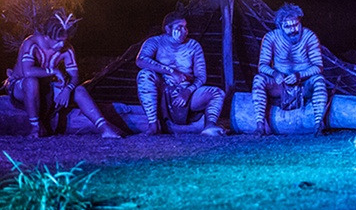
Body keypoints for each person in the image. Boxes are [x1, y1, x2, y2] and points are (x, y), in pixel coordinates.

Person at [4, 9, 122, 138]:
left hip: (46, 88)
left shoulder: (67, 48)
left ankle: (105, 128)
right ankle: (35, 126)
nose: (61, 44)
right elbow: (27, 72)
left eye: (64, 40)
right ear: (47, 36)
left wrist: (68, 89)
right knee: (31, 82)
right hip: (21, 87)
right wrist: (54, 71)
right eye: (57, 41)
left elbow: (75, 76)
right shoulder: (31, 43)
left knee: (80, 90)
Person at [135, 11, 226, 136]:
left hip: (186, 93)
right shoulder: (154, 42)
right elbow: (141, 60)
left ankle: (209, 125)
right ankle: (153, 124)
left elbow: (201, 76)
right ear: (168, 29)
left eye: (185, 27)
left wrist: (188, 91)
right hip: (163, 92)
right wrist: (171, 71)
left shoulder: (193, 46)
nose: (184, 31)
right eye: (179, 27)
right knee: (145, 75)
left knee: (217, 93)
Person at [251, 3, 328, 135]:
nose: (293, 30)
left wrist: (299, 75)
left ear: (299, 21)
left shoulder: (309, 36)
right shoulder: (270, 38)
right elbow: (262, 66)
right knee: (259, 79)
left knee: (319, 80)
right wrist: (275, 74)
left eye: (295, 25)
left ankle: (318, 123)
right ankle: (259, 124)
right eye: (288, 26)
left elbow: (318, 66)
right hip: (280, 85)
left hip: (304, 84)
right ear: (280, 26)